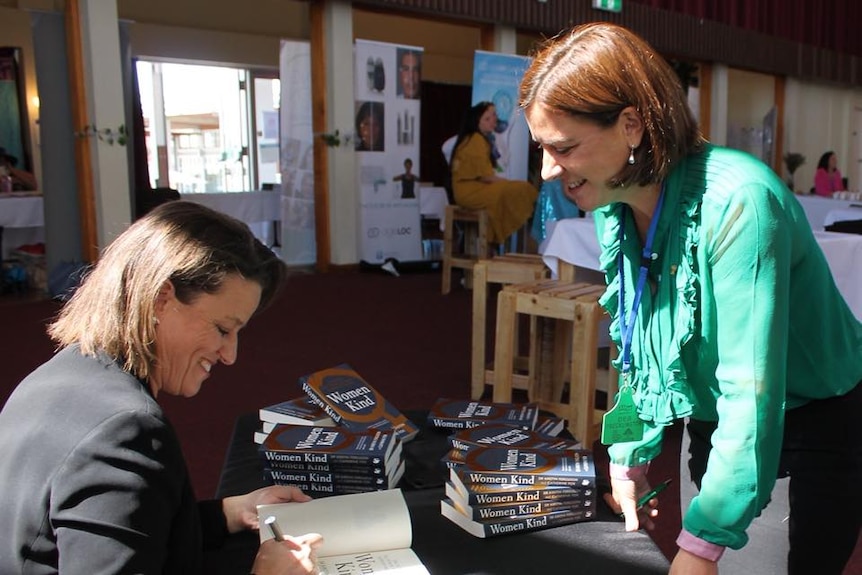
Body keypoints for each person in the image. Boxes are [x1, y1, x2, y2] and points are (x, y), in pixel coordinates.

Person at [520, 22, 862, 575]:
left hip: (806, 421)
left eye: (564, 147)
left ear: (631, 125)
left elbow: (751, 391)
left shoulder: (740, 202)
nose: (548, 169)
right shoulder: (616, 203)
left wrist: (702, 544)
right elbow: (636, 343)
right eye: (541, 147)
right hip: (714, 419)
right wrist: (628, 456)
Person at [0, 201, 323, 574]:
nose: (230, 355)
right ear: (161, 299)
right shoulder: (124, 430)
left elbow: (123, 529)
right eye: (222, 329)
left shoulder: (55, 376)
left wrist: (229, 512)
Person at [449, 101, 538, 245]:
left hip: (470, 191)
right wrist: (507, 183)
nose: (494, 120)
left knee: (515, 189)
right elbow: (485, 176)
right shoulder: (476, 140)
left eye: (495, 115)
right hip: (470, 192)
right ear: (477, 121)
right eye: (488, 118)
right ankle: (500, 241)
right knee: (518, 189)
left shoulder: (479, 139)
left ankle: (496, 243)